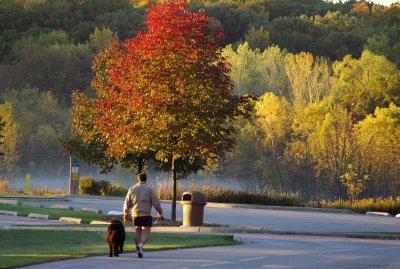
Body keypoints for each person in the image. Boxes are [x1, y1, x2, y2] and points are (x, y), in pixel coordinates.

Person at [123, 172, 164, 258]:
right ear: (146, 179)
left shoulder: (132, 188)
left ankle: (138, 249)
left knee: (138, 231)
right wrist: (160, 212)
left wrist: (126, 213)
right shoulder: (150, 189)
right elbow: (156, 202)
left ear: (138, 179)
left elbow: (127, 202)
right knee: (146, 232)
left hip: (135, 214)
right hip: (146, 214)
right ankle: (141, 245)